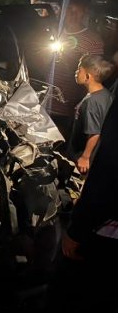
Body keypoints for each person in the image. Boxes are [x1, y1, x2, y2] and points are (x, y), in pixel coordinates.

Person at [48, 94, 118, 313]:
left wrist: (76, 231)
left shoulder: (99, 101)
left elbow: (108, 169)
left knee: (77, 289)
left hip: (105, 229)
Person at [47, 0, 104, 137]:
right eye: (68, 9)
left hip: (67, 110)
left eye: (76, 11)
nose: (72, 14)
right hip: (41, 103)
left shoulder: (93, 41)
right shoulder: (52, 32)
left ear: (85, 12)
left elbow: (93, 79)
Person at [66, 55, 114, 174]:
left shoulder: (92, 102)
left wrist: (85, 157)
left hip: (81, 158)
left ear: (88, 76)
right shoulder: (105, 94)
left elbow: (94, 133)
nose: (76, 72)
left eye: (79, 70)